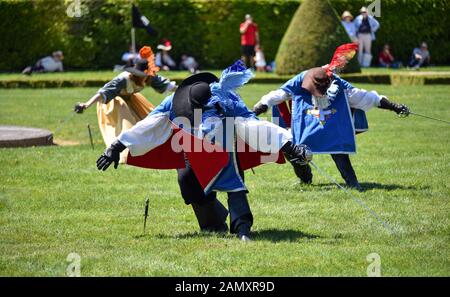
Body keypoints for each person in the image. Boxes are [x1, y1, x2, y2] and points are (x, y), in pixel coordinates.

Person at [95, 61, 312, 241]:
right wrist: (117, 145)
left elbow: (254, 125)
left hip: (226, 146)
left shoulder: (228, 99)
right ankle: (214, 224)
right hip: (190, 147)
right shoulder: (173, 101)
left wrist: (287, 144)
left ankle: (242, 229)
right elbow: (149, 124)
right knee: (189, 182)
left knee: (234, 184)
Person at [252, 44, 410, 191]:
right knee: (291, 147)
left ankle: (352, 182)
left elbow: (367, 97)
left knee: (338, 146)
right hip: (304, 125)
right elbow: (276, 95)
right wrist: (255, 111)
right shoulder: (299, 80)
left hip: (332, 125)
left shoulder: (338, 84)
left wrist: (394, 106)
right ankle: (305, 179)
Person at [74, 46, 177, 163]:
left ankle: (152, 147)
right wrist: (86, 104)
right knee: (127, 123)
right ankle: (121, 150)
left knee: (149, 119)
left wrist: (182, 90)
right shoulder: (123, 79)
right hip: (116, 103)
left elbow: (167, 85)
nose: (146, 77)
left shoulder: (149, 77)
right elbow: (103, 92)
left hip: (132, 100)